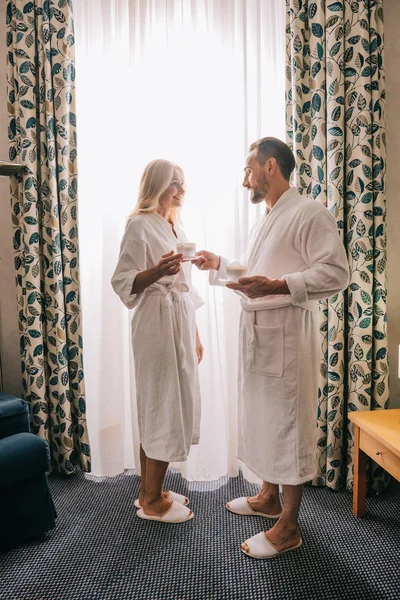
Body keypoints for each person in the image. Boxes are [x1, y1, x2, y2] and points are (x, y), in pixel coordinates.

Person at [196, 137, 349, 558]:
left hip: (285, 335)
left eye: (248, 169)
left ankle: (290, 525)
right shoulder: (267, 218)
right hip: (260, 334)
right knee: (263, 419)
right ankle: (268, 496)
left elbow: (337, 272)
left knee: (288, 424)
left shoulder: (308, 213)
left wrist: (282, 285)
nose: (244, 178)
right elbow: (258, 273)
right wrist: (222, 265)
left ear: (269, 168)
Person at [111, 159, 204, 523]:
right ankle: (151, 502)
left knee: (167, 402)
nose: (181, 190)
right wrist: (158, 271)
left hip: (178, 319)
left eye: (182, 183)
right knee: (161, 403)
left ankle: (150, 489)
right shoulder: (138, 224)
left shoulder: (175, 226)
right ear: (157, 185)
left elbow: (186, 287)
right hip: (154, 322)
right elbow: (123, 281)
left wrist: (194, 334)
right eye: (174, 183)